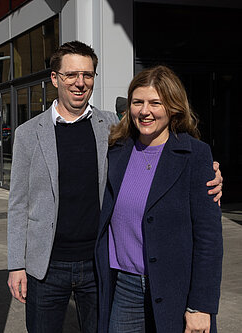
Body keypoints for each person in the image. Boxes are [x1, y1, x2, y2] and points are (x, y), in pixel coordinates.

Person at [7, 41, 223, 333]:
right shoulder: (29, 133)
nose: (80, 83)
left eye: (88, 74)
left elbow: (172, 162)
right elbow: (18, 203)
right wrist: (16, 264)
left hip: (99, 266)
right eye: (71, 75)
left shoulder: (113, 129)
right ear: (55, 78)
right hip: (47, 265)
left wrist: (210, 176)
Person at [94, 65, 223, 333]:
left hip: (176, 289)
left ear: (174, 107)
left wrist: (201, 306)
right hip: (125, 287)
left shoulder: (194, 155)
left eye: (156, 103)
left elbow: (209, 240)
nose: (145, 111)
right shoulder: (118, 149)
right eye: (137, 102)